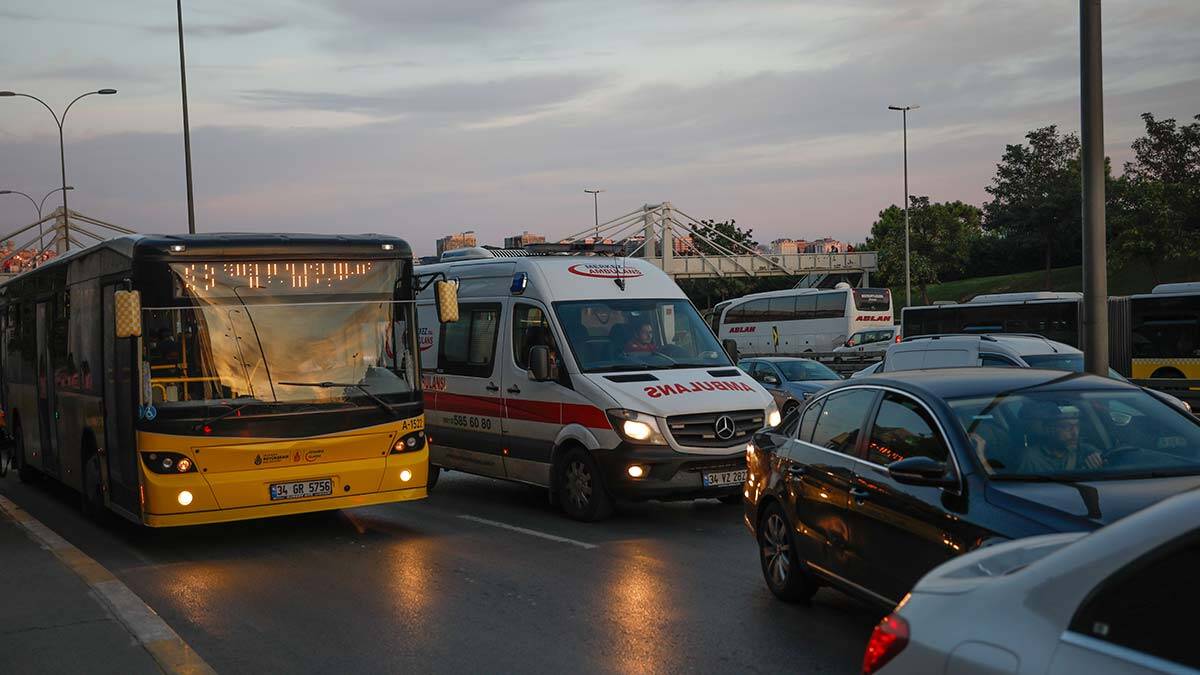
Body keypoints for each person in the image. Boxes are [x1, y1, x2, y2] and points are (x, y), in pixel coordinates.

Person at [1016, 400, 1104, 473]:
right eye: (1066, 427)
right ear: (1049, 429)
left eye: (1077, 426)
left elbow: (1106, 459)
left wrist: (1098, 460)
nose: (1075, 433)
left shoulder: (1085, 450)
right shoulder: (1031, 459)